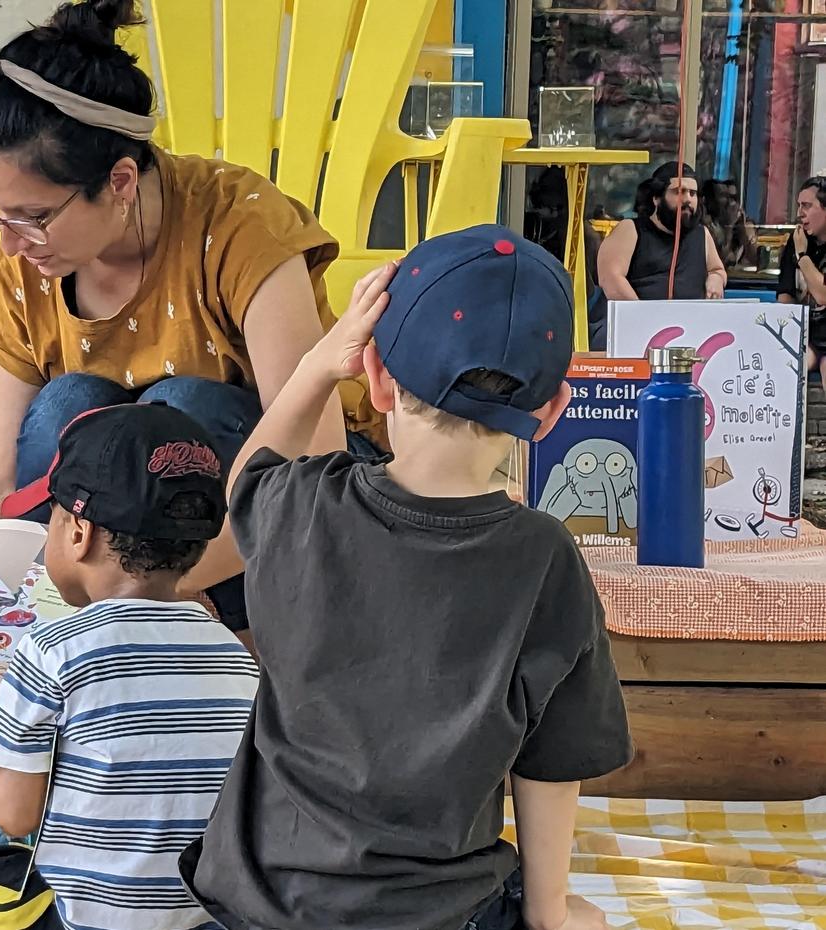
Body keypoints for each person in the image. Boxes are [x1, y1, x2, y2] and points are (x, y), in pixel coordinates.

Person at [181, 228, 633, 930]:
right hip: (441, 914)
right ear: (549, 414)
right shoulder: (545, 558)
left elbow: (247, 482)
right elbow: (553, 757)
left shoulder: (301, 506)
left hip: (263, 906)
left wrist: (315, 368)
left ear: (378, 378)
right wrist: (549, 914)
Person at [0, 0, 383, 643]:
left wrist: (157, 592)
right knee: (73, 403)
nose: (12, 244)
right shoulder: (23, 268)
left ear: (120, 181)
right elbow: (10, 488)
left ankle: (197, 635)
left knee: (179, 406)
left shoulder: (238, 224)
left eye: (33, 216)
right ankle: (75, 631)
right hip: (111, 571)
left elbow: (313, 461)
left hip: (289, 518)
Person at [0, 403, 259, 930]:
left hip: (76, 919)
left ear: (79, 532)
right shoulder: (234, 655)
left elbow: (14, 816)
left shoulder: (51, 649)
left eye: (54, 518)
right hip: (207, 918)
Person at [596, 162, 727, 304]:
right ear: (656, 198)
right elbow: (610, 278)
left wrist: (717, 279)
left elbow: (717, 269)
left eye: (692, 193)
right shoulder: (631, 230)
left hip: (692, 322)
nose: (688, 199)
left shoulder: (702, 234)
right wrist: (644, 315)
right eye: (678, 191)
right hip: (635, 320)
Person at [777, 175, 826, 384]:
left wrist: (802, 256)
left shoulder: (800, 247)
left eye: (806, 206)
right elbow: (785, 298)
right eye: (798, 206)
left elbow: (823, 296)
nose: (800, 214)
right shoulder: (797, 239)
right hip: (808, 335)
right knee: (786, 368)